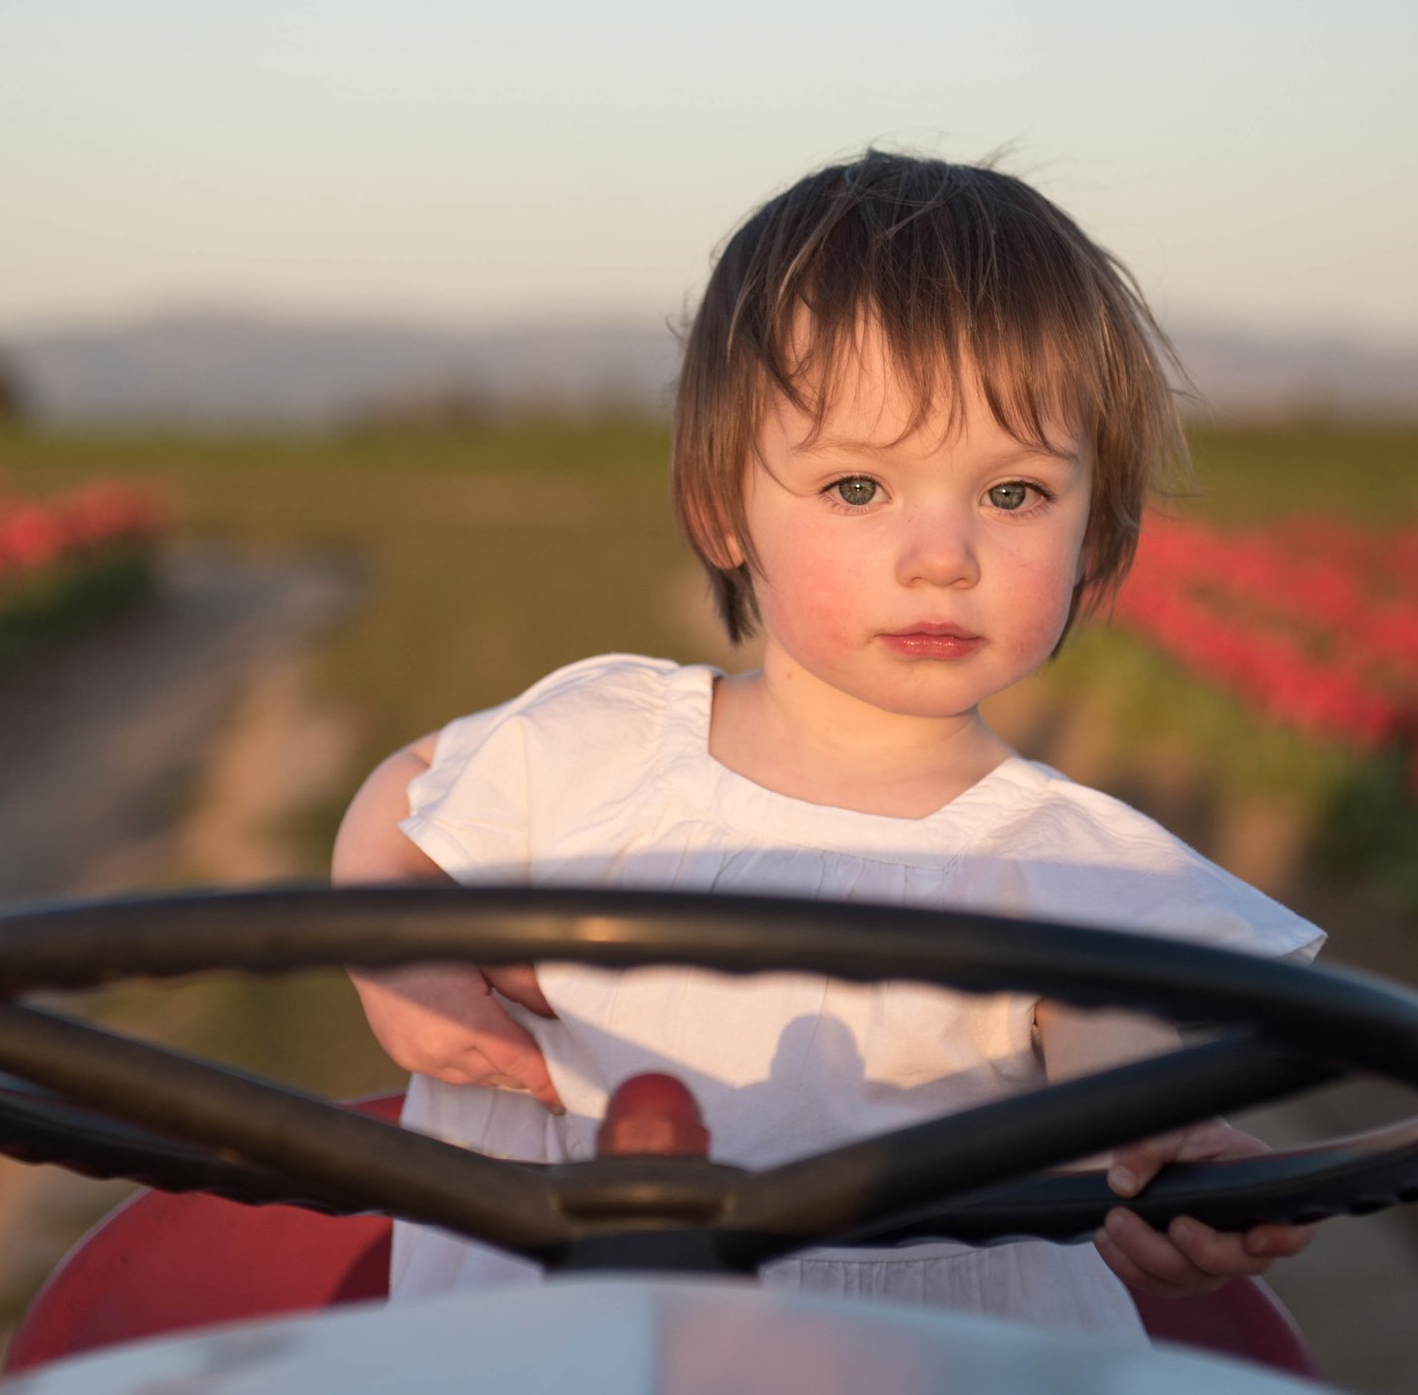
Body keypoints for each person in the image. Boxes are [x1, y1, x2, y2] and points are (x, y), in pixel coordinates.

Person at [331, 149, 1325, 1336]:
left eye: (1012, 495)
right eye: (859, 488)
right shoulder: (599, 748)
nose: (942, 555)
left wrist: (1161, 1140)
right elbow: (406, 797)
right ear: (720, 508)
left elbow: (1117, 1048)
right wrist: (401, 963)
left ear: (1096, 525)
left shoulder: (1069, 869)